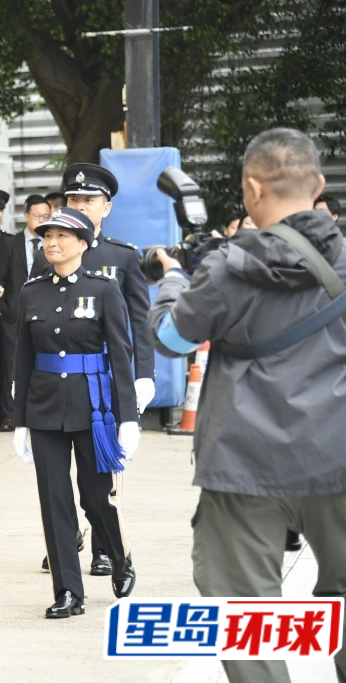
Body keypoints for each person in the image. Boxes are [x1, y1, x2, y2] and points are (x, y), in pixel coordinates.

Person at [148, 127, 346, 683]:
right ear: (319, 186)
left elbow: (171, 338)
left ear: (252, 189)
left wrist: (171, 279)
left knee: (244, 611)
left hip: (244, 465)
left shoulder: (223, 269)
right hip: (338, 456)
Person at [12, 207, 140, 620]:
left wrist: (129, 416)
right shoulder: (31, 292)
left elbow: (121, 355)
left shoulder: (104, 290)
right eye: (47, 236)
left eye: (62, 236)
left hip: (94, 407)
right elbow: (22, 358)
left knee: (95, 497)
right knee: (54, 501)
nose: (52, 242)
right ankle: (68, 590)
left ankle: (119, 557)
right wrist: (20, 420)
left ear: (83, 244)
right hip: (46, 407)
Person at [31, 163, 156, 577]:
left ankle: (107, 547)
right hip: (56, 383)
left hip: (104, 381)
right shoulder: (47, 256)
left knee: (100, 482)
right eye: (73, 200)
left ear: (107, 207)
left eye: (88, 200)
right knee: (56, 485)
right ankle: (66, 546)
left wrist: (143, 374)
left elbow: (138, 321)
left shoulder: (122, 256)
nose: (80, 205)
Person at [0, 194, 53, 432]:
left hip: (45, 315)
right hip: (14, 315)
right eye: (37, 215)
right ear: (26, 215)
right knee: (10, 366)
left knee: (42, 363)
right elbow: (0, 277)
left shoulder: (53, 243)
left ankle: (38, 410)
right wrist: (2, 303)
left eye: (46, 216)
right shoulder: (10, 244)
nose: (41, 219)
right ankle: (9, 414)